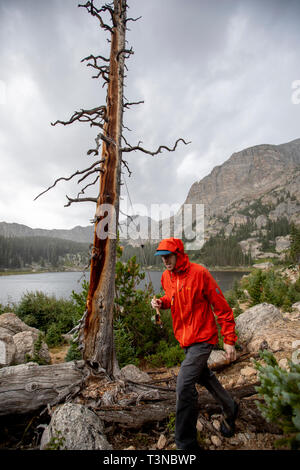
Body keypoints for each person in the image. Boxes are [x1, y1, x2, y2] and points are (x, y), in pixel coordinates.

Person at [151, 237, 239, 451]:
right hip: (185, 339)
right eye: (162, 257)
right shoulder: (166, 276)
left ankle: (186, 444)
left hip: (203, 337)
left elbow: (222, 308)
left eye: (168, 256)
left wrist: (229, 340)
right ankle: (231, 407)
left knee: (183, 384)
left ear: (179, 254)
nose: (165, 261)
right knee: (203, 376)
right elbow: (172, 298)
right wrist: (161, 303)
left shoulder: (200, 274)